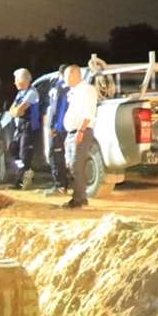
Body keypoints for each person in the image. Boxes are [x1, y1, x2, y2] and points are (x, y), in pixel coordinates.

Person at [61, 65, 99, 209]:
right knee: (72, 165)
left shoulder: (86, 90)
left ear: (73, 75)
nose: (64, 79)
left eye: (65, 76)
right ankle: (80, 197)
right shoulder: (75, 91)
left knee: (77, 165)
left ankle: (78, 199)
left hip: (81, 132)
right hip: (72, 132)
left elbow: (88, 113)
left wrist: (81, 131)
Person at [8, 68, 41, 190]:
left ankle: (20, 181)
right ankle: (27, 171)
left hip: (29, 128)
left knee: (24, 155)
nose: (14, 82)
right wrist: (16, 111)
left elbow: (17, 111)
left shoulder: (32, 93)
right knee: (12, 149)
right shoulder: (21, 93)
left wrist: (17, 111)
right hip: (20, 127)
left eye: (16, 80)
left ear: (23, 80)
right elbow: (12, 111)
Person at [43, 65, 72, 196]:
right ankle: (66, 185)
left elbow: (55, 108)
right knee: (66, 157)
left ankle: (60, 186)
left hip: (59, 128)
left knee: (55, 156)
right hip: (70, 126)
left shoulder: (59, 87)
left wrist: (53, 126)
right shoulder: (73, 87)